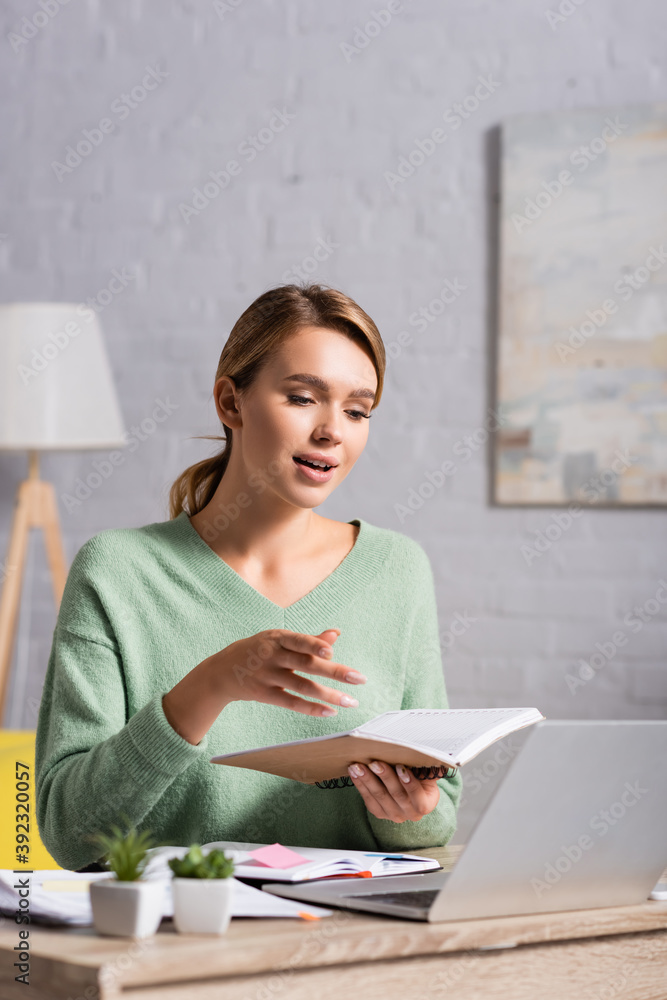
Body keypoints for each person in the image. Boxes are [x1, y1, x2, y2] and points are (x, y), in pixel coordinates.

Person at [35, 282, 462, 871]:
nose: (333, 430)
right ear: (231, 403)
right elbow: (68, 832)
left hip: (349, 941)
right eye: (302, 398)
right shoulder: (118, 572)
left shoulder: (397, 570)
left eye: (358, 410)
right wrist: (209, 686)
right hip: (180, 941)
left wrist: (410, 810)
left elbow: (438, 818)